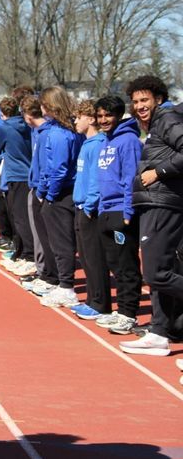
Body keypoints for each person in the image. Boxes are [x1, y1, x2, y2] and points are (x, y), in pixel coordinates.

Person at [121, 76, 183, 356]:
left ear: (158, 98)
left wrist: (158, 172)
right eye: (135, 102)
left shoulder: (167, 118)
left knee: (156, 273)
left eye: (144, 100)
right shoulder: (156, 123)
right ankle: (159, 332)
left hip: (163, 203)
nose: (139, 106)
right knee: (161, 269)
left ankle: (161, 331)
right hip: (154, 201)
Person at [93, 95, 143, 336]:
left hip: (121, 213)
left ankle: (128, 313)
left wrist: (127, 212)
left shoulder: (129, 141)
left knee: (126, 264)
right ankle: (121, 309)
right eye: (100, 116)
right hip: (106, 211)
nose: (104, 120)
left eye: (108, 115)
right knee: (114, 263)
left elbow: (130, 178)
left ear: (118, 115)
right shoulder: (106, 141)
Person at [36, 87, 83, 308]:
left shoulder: (58, 134)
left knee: (60, 242)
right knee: (62, 241)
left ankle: (66, 287)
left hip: (61, 194)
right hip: (66, 191)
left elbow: (58, 168)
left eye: (43, 104)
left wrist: (49, 194)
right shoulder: (70, 130)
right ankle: (63, 283)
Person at [69, 99, 110, 321]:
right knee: (85, 256)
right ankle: (92, 300)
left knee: (94, 257)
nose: (75, 121)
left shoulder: (98, 144)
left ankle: (101, 303)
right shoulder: (87, 143)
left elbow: (96, 179)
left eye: (78, 117)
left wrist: (89, 205)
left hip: (89, 208)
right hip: (80, 204)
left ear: (91, 119)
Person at [0, 96, 34, 277]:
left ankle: (28, 256)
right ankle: (22, 253)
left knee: (19, 218)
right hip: (29, 174)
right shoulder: (28, 126)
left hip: (16, 175)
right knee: (23, 217)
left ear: (2, 113)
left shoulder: (5, 128)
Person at [20, 96, 59, 294]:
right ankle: (45, 273)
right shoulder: (39, 132)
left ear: (27, 115)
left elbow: (48, 165)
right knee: (41, 235)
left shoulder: (45, 134)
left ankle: (49, 276)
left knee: (44, 236)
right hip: (37, 186)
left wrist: (42, 191)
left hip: (41, 189)